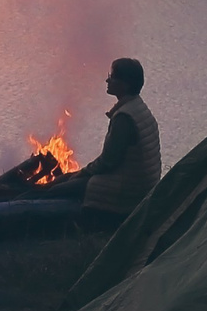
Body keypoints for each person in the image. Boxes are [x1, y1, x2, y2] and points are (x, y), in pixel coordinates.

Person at [54, 57, 161, 227]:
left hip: (128, 190)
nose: (107, 80)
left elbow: (108, 162)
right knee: (64, 179)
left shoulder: (124, 118)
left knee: (55, 189)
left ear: (124, 84)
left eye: (112, 77)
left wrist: (80, 174)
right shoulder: (138, 107)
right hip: (142, 184)